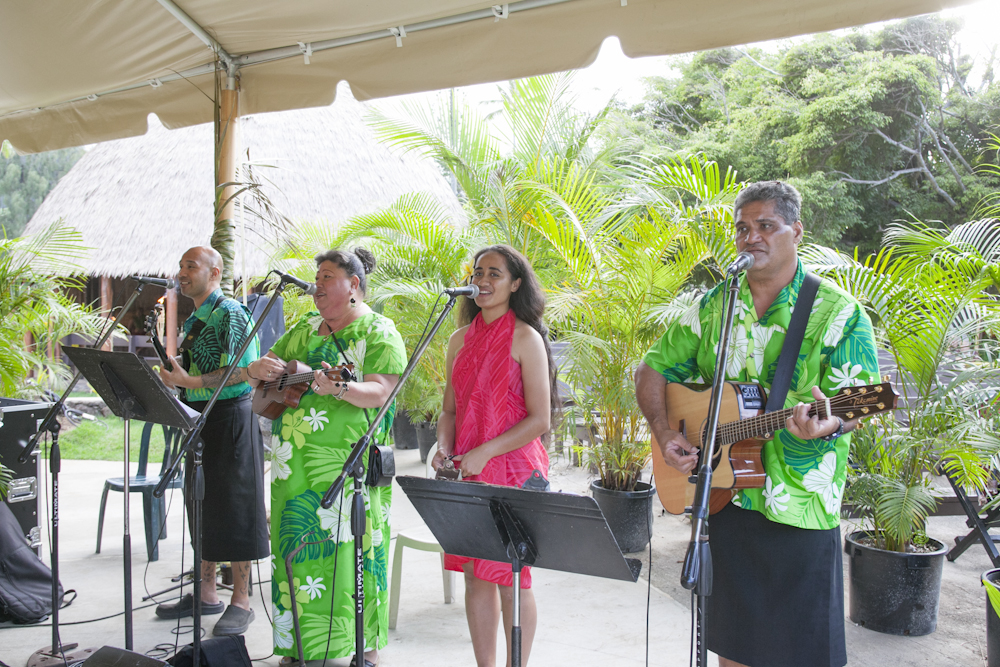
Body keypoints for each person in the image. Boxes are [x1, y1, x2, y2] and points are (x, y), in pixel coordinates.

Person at [635, 182, 880, 667]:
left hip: (799, 506)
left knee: (800, 654)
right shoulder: (715, 305)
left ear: (796, 232)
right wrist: (665, 433)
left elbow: (860, 403)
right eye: (743, 228)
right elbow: (652, 369)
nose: (752, 238)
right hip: (725, 499)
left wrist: (827, 426)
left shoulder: (838, 313)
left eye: (766, 226)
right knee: (735, 650)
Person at [249, 248, 405, 667]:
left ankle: (364, 648)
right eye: (316, 276)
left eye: (327, 276)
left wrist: (337, 389)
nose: (316, 285)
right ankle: (300, 646)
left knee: (355, 551)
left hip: (347, 466)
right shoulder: (303, 329)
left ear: (353, 284)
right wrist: (259, 369)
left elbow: (381, 392)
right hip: (292, 465)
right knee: (296, 548)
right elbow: (263, 370)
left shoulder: (378, 330)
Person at [431, 245, 558, 667]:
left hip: (515, 468)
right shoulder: (457, 340)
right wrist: (444, 448)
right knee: (475, 574)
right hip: (469, 468)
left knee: (511, 579)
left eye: (495, 274)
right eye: (478, 272)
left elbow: (540, 419)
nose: (482, 281)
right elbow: (449, 409)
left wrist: (486, 450)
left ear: (515, 284)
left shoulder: (526, 337)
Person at [155, 246, 269, 636]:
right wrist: (177, 376)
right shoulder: (198, 316)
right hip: (198, 418)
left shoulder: (232, 313)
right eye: (181, 265)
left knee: (236, 506)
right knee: (200, 500)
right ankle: (205, 593)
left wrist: (191, 382)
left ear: (215, 273)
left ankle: (241, 600)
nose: (182, 273)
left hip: (231, 417)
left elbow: (246, 369)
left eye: (192, 266)